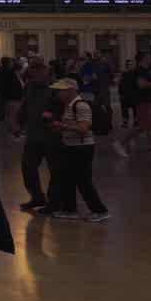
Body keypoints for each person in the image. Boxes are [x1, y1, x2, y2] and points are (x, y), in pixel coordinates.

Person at [39, 77, 110, 221]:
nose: (58, 94)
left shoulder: (80, 105)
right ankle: (70, 209)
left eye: (61, 91)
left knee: (83, 180)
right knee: (68, 179)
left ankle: (100, 210)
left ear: (70, 91)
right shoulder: (69, 106)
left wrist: (63, 126)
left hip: (82, 148)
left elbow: (84, 128)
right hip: (71, 146)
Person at [19, 54, 57, 211]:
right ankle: (37, 197)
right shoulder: (29, 87)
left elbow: (63, 108)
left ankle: (54, 202)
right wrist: (19, 124)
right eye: (30, 74)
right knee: (28, 166)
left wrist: (54, 116)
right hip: (34, 134)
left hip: (51, 135)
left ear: (46, 73)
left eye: (36, 73)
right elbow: (24, 106)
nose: (32, 77)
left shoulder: (55, 88)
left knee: (55, 169)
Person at [0, 56, 24, 138]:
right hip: (13, 96)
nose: (11, 63)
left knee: (9, 114)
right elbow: (12, 85)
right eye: (11, 62)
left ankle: (9, 131)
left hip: (8, 96)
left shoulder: (3, 71)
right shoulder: (8, 72)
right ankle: (13, 133)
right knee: (13, 114)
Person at [117, 59, 136, 128]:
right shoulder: (123, 74)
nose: (131, 66)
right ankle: (125, 122)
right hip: (125, 95)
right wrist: (120, 93)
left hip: (134, 95)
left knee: (135, 109)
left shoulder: (135, 73)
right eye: (129, 64)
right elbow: (120, 84)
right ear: (126, 66)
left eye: (132, 64)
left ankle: (136, 121)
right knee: (124, 109)